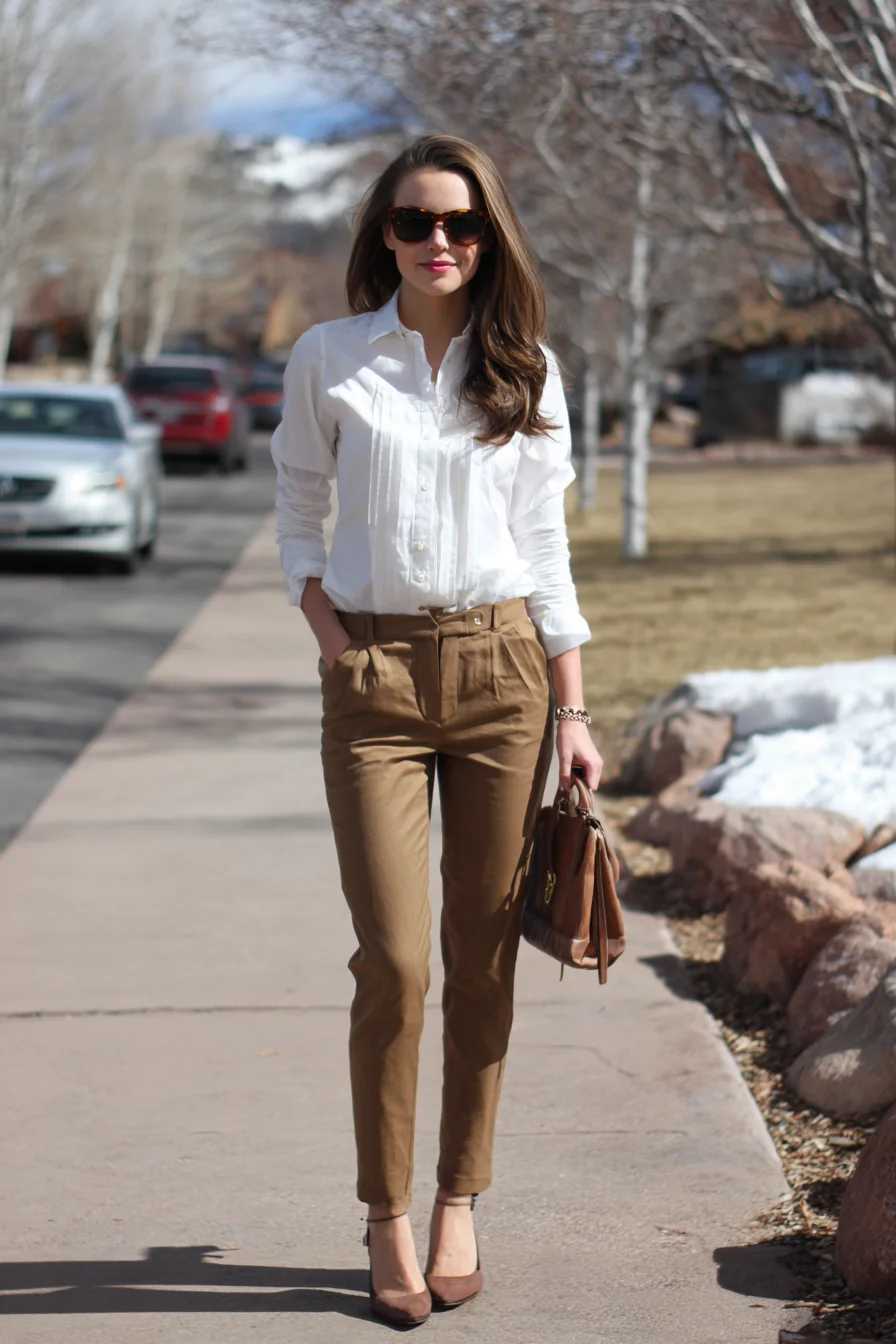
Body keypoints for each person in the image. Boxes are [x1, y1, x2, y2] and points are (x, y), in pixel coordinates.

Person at [271, 134, 602, 1327]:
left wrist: (571, 710)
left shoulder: (524, 369)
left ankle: (460, 1194)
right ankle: (383, 1214)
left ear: (488, 234)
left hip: (504, 670)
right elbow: (299, 506)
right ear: (383, 236)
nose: (438, 243)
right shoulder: (329, 359)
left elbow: (546, 555)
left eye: (459, 223)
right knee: (396, 964)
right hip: (373, 677)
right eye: (414, 223)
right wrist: (328, 631)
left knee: (481, 954)